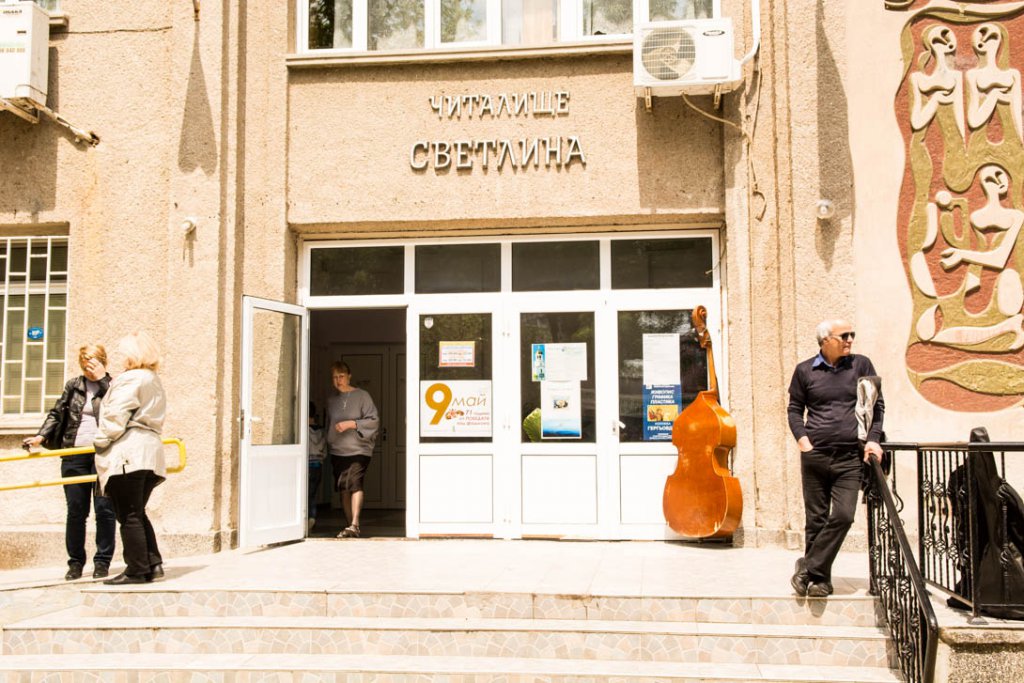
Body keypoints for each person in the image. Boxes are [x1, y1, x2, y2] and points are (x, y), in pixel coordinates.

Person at [787, 319, 884, 598]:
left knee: (843, 515)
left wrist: (873, 439)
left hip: (849, 457)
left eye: (852, 334)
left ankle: (807, 566)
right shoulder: (805, 370)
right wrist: (803, 440)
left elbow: (877, 407)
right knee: (816, 519)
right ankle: (820, 580)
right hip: (815, 456)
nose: (850, 339)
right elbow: (794, 409)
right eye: (844, 335)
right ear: (825, 340)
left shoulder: (861, 365)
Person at [25, 344, 116, 580]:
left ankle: (102, 562)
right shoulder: (74, 386)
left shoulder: (114, 386)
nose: (88, 365)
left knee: (104, 509)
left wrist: (103, 381)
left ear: (103, 361)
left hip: (103, 454)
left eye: (93, 360)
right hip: (74, 454)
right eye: (84, 361)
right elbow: (57, 413)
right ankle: (75, 563)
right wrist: (41, 436)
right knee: (76, 511)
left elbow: (118, 412)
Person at [94, 331, 167, 585]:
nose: (120, 357)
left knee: (128, 514)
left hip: (129, 452)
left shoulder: (131, 379)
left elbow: (115, 416)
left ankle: (136, 569)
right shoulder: (152, 379)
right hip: (149, 451)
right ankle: (152, 563)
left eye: (123, 352)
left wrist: (100, 441)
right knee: (136, 510)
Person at [326, 361, 379, 539]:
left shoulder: (362, 396)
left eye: (341, 376)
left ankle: (355, 524)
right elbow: (329, 424)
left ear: (349, 376)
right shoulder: (332, 400)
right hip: (338, 451)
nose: (338, 380)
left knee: (355, 483)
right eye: (334, 377)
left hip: (359, 450)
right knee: (344, 488)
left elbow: (374, 420)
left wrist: (351, 424)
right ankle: (350, 526)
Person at [307, 401, 326, 533]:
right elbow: (325, 451)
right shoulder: (322, 431)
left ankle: (307, 518)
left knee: (304, 494)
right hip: (318, 465)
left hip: (307, 465)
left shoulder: (303, 430)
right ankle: (312, 517)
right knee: (313, 494)